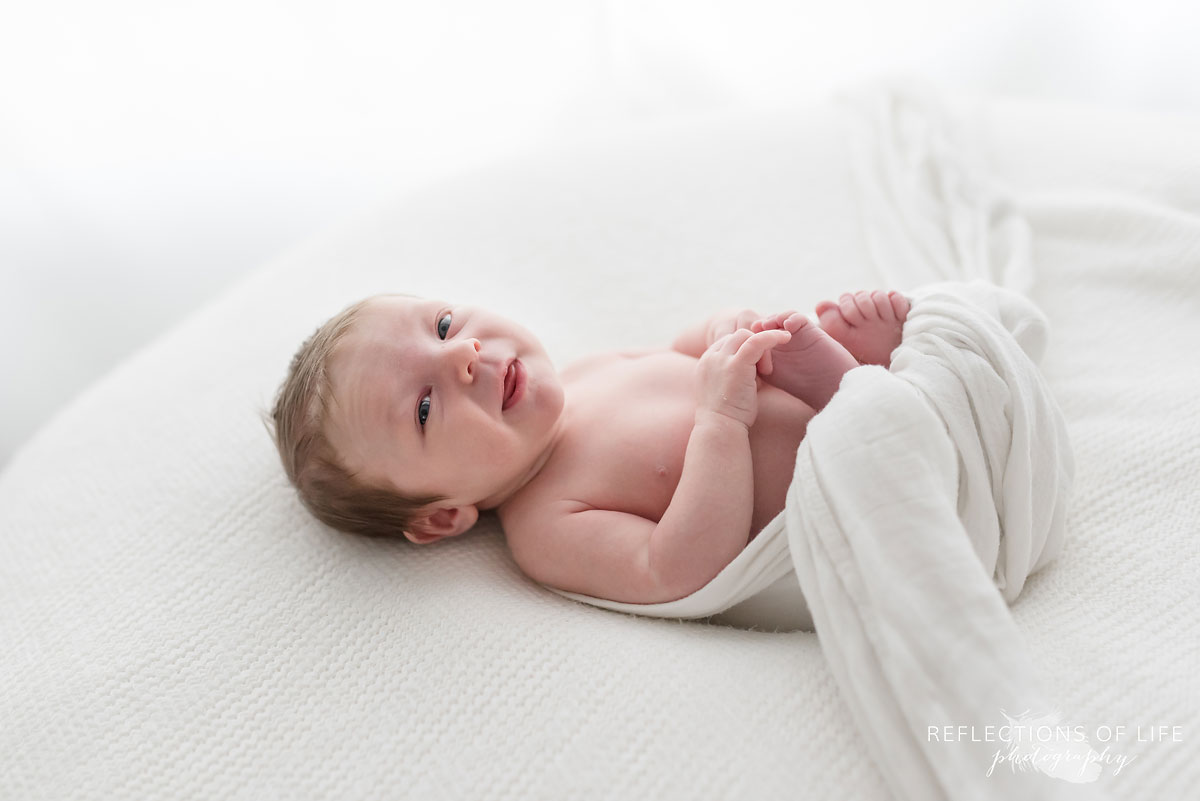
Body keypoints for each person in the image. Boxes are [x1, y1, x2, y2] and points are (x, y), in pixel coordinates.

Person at [270, 290, 909, 605]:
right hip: (851, 489)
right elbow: (675, 569)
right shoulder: (546, 528)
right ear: (442, 515)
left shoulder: (589, 370)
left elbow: (680, 353)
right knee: (876, 447)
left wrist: (726, 333)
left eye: (443, 327)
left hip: (837, 411)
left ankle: (856, 375)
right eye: (425, 407)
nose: (463, 355)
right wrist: (720, 422)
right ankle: (857, 393)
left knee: (889, 349)